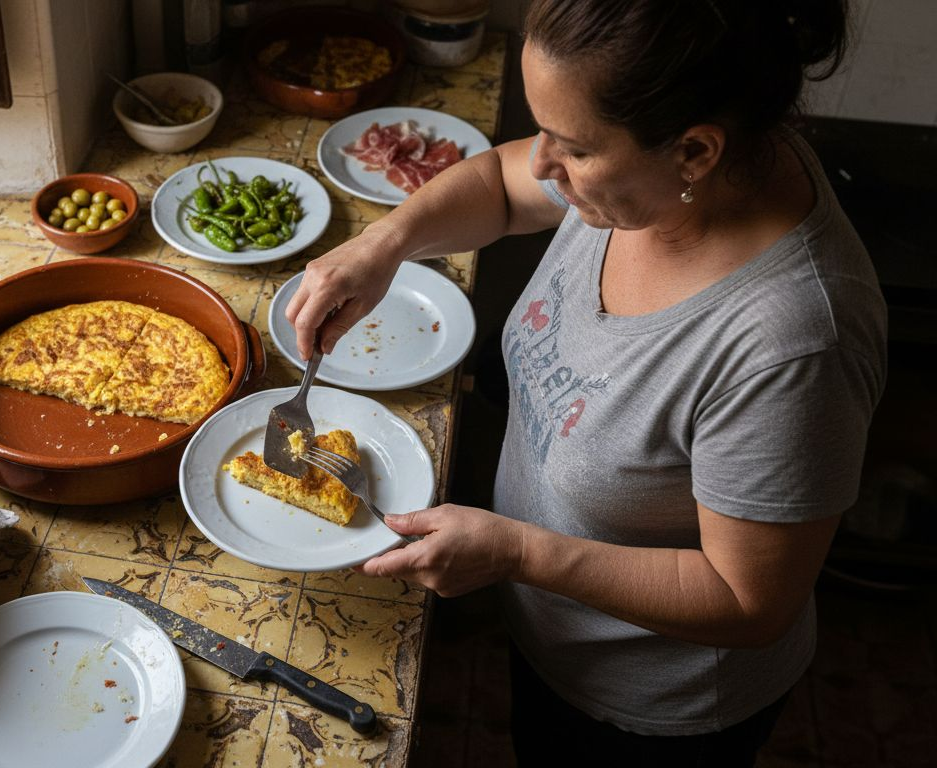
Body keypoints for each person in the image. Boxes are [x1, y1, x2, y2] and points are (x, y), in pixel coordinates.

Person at [285, 0, 886, 764]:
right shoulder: (644, 181)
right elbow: (504, 187)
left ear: (695, 153)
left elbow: (749, 601)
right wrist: (384, 244)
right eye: (543, 132)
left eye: (569, 146)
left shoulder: (793, 344)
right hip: (556, 633)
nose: (542, 164)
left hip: (650, 710)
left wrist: (518, 555)